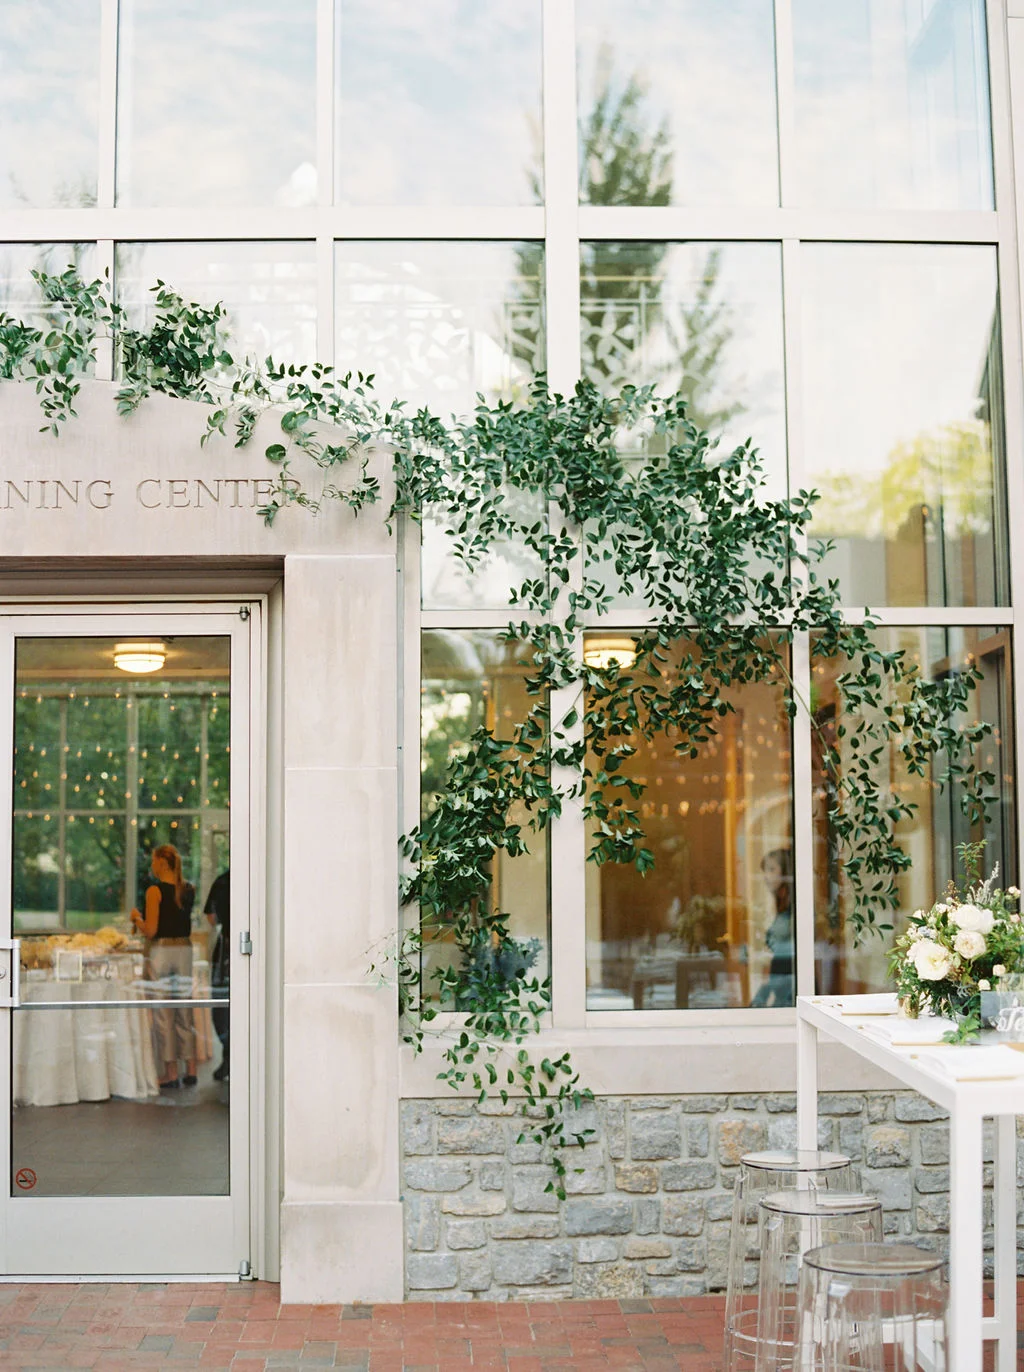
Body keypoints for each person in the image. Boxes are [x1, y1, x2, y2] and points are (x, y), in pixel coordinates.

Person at [131, 844, 197, 1089]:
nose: (151, 865)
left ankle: (170, 1071)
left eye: (153, 860)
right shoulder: (188, 889)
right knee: (185, 1008)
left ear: (161, 863)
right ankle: (190, 1069)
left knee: (162, 1011)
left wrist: (136, 918)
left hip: (161, 951)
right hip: (185, 950)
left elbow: (151, 931)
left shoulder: (154, 891)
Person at [749, 847, 794, 1007]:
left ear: (786, 871)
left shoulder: (796, 909)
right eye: (765, 871)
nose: (766, 877)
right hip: (781, 990)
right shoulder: (781, 907)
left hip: (791, 992)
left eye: (772, 869)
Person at [204, 868, 230, 1082]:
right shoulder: (256, 876)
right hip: (239, 945)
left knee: (222, 1005)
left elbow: (211, 918)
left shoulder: (222, 881)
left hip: (227, 947)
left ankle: (229, 1056)